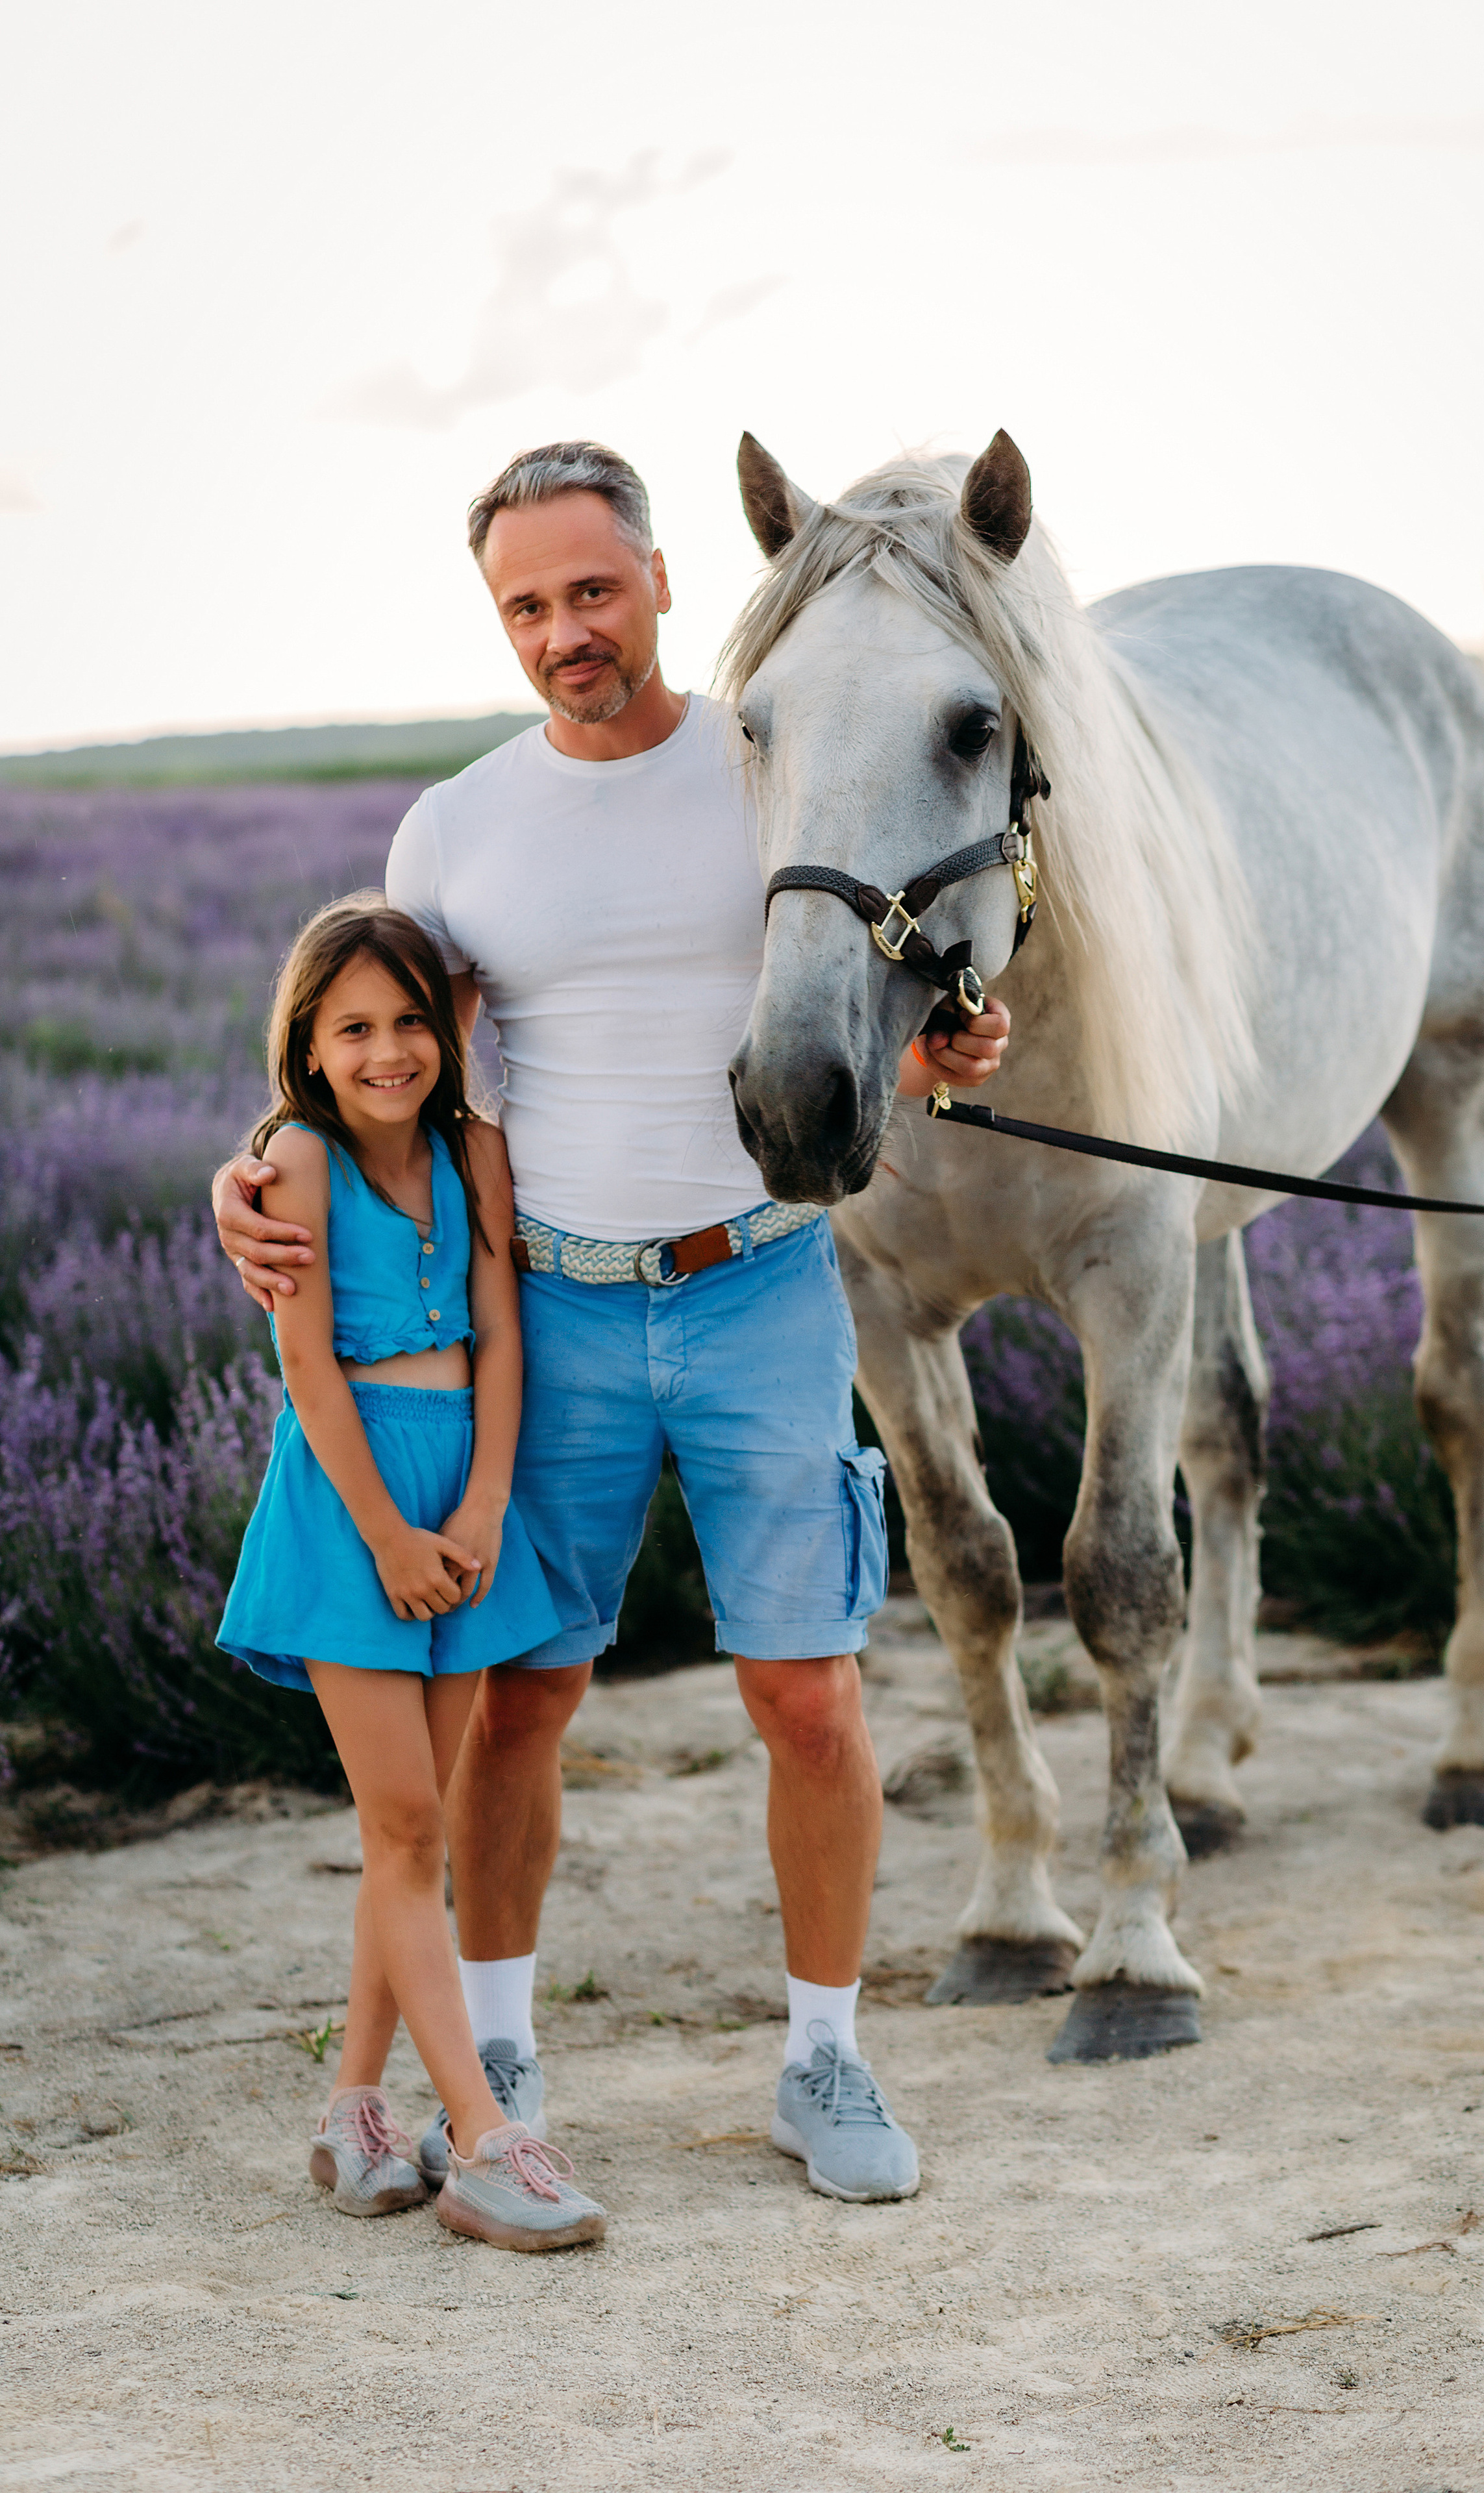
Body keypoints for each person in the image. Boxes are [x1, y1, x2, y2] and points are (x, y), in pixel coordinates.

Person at [214, 441, 1011, 2209]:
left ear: (659, 580)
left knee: (807, 1696)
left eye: (592, 588)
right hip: (551, 1315)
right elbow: (378, 1068)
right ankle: (496, 2047)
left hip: (761, 1286)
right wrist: (251, 1164)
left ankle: (823, 2060)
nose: (565, 629)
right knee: (520, 1701)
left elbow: (889, 977)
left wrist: (952, 1043)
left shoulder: (772, 760)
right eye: (527, 605)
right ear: (501, 621)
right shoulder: (456, 827)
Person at [217, 895, 604, 2253]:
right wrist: (386, 1532)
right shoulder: (298, 1161)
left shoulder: (474, 1151)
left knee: (417, 1828)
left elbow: (502, 1337)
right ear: (308, 1049)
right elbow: (308, 1370)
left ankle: (353, 2111)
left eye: (409, 1022)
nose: (388, 1051)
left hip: (463, 1495)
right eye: (353, 1030)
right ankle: (486, 2143)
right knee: (402, 1829)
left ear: (445, 1031)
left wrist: (487, 1501)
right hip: (353, 1505)